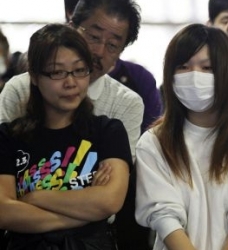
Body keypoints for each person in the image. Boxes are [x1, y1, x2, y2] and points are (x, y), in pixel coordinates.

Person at [134, 24, 228, 250]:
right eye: (183, 66)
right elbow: (164, 216)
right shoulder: (154, 142)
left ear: (226, 72)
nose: (194, 76)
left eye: (207, 67)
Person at [0, 23, 131, 249]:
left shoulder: (108, 131)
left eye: (80, 70)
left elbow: (110, 200)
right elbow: (4, 212)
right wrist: (86, 211)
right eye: (58, 72)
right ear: (34, 76)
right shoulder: (9, 137)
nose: (71, 82)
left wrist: (36, 197)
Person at [66, 0, 161, 134]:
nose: (99, 52)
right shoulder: (28, 86)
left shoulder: (127, 104)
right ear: (71, 30)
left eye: (112, 45)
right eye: (94, 37)